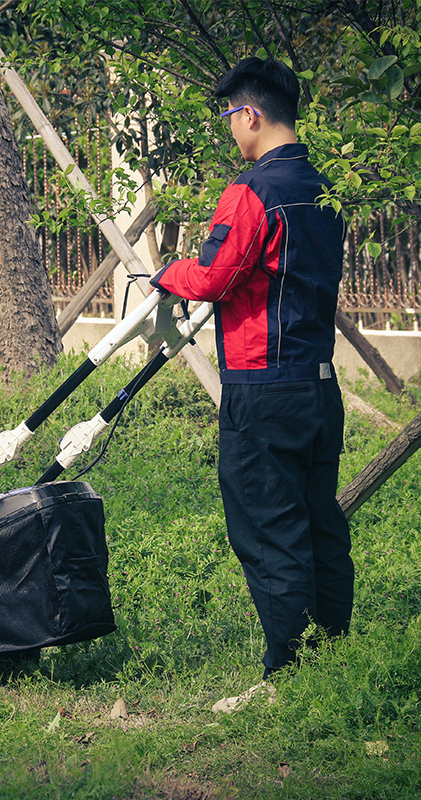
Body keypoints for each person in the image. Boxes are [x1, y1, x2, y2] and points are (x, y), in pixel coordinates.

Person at [150, 57, 354, 711]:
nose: (231, 130)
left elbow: (211, 277)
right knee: (320, 525)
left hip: (263, 391)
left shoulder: (251, 192)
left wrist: (166, 274)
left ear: (251, 114)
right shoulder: (324, 189)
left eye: (230, 118)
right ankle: (331, 665)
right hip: (320, 387)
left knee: (270, 530)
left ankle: (288, 680)